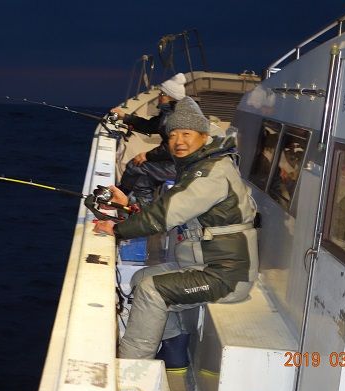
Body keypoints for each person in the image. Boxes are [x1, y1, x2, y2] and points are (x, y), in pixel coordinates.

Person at [94, 96, 259, 362]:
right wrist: (129, 206)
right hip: (205, 265)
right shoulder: (199, 164)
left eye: (186, 133)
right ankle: (174, 355)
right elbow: (173, 207)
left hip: (227, 275)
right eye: (172, 135)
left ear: (203, 136)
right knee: (139, 280)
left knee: (152, 290)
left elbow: (167, 214)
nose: (178, 141)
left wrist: (117, 229)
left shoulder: (211, 173)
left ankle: (131, 366)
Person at [111, 73, 187, 206]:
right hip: (178, 162)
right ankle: (136, 204)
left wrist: (147, 155)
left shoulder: (171, 118)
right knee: (140, 176)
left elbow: (172, 147)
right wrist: (126, 117)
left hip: (181, 167)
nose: (159, 97)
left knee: (135, 167)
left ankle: (125, 197)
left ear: (167, 96)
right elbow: (150, 126)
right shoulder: (171, 113)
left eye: (161, 94)